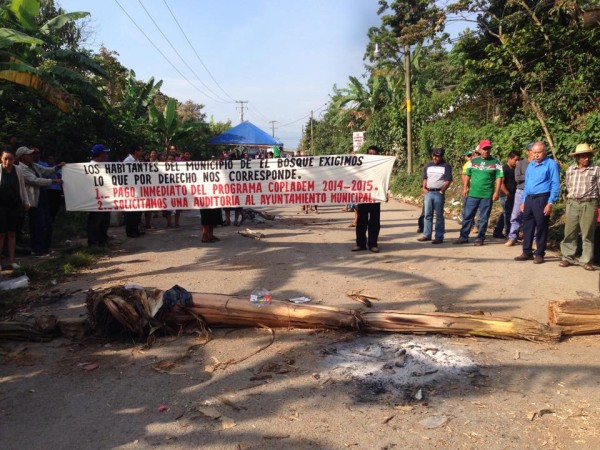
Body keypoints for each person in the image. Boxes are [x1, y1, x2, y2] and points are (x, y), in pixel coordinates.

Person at [514, 141, 560, 264]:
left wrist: (550, 202)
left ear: (545, 152)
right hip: (529, 198)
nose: (536, 155)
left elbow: (555, 184)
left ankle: (539, 253)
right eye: (534, 152)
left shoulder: (551, 165)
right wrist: (523, 201)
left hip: (542, 199)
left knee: (541, 227)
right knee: (528, 226)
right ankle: (527, 252)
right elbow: (527, 184)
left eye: (539, 152)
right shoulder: (531, 165)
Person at [15, 146, 64, 256]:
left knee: (47, 223)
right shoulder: (21, 169)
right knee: (38, 225)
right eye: (29, 154)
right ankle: (37, 249)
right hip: (33, 200)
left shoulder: (33, 165)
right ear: (22, 157)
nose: (32, 156)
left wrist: (57, 167)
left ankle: (45, 248)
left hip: (42, 196)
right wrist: (52, 181)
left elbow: (46, 170)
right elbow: (35, 180)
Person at [559, 143, 599, 271]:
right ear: (577, 157)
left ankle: (586, 260)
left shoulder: (596, 170)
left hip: (589, 203)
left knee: (587, 234)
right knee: (569, 232)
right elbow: (569, 186)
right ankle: (567, 257)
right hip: (573, 203)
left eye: (588, 156)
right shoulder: (571, 170)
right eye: (583, 156)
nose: (586, 158)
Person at [454, 140, 503, 245]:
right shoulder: (473, 161)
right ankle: (463, 237)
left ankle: (480, 238)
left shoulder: (496, 162)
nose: (486, 151)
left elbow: (499, 178)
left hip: (487, 195)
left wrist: (496, 192)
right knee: (467, 216)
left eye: (488, 149)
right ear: (480, 150)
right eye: (484, 149)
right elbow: (467, 174)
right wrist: (465, 187)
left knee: (483, 218)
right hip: (473, 194)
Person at [0, 150, 30, 270]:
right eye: (5, 159)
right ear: (1, 159)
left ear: (14, 160)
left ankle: (12, 261)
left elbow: (22, 187)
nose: (8, 162)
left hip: (14, 205)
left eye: (10, 159)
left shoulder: (18, 170)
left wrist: (26, 201)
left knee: (12, 233)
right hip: (1, 206)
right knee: (1, 234)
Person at [353, 145, 385, 253]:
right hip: (363, 197)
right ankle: (360, 244)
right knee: (361, 222)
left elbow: (384, 180)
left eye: (374, 154)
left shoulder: (381, 167)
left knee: (375, 222)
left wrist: (385, 193)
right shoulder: (361, 166)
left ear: (377, 155)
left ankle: (373, 244)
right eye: (370, 154)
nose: (372, 156)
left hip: (375, 197)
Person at [417, 147, 452, 244]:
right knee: (427, 215)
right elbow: (424, 177)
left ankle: (439, 236)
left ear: (442, 157)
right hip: (428, 192)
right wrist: (423, 188)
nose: (436, 158)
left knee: (439, 216)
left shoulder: (446, 166)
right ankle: (427, 235)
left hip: (438, 193)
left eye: (438, 156)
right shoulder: (428, 165)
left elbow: (448, 180)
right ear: (432, 155)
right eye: (434, 155)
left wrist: (442, 190)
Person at [506, 143, 534, 246]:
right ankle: (512, 237)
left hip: (534, 193)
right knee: (516, 215)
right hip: (521, 191)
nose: (534, 153)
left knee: (533, 216)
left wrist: (526, 176)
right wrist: (531, 176)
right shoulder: (520, 163)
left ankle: (533, 240)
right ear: (527, 152)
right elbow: (517, 178)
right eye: (532, 151)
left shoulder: (539, 163)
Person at [87, 145, 112, 246]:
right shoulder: (89, 167)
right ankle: (93, 241)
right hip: (95, 199)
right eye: (104, 153)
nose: (106, 155)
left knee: (105, 220)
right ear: (100, 154)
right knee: (95, 220)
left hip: (106, 197)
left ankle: (102, 239)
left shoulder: (104, 165)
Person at [493, 151, 520, 239]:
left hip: (512, 194)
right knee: (508, 214)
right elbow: (501, 183)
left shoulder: (515, 169)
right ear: (510, 159)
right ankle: (508, 233)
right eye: (515, 160)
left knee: (505, 212)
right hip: (505, 195)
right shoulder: (505, 169)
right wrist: (507, 193)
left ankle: (497, 231)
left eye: (518, 160)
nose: (517, 162)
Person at [123, 144, 145, 237]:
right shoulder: (127, 161)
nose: (142, 152)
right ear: (136, 151)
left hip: (138, 190)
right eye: (141, 150)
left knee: (137, 212)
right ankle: (130, 232)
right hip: (130, 191)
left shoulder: (137, 161)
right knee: (130, 213)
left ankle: (136, 230)